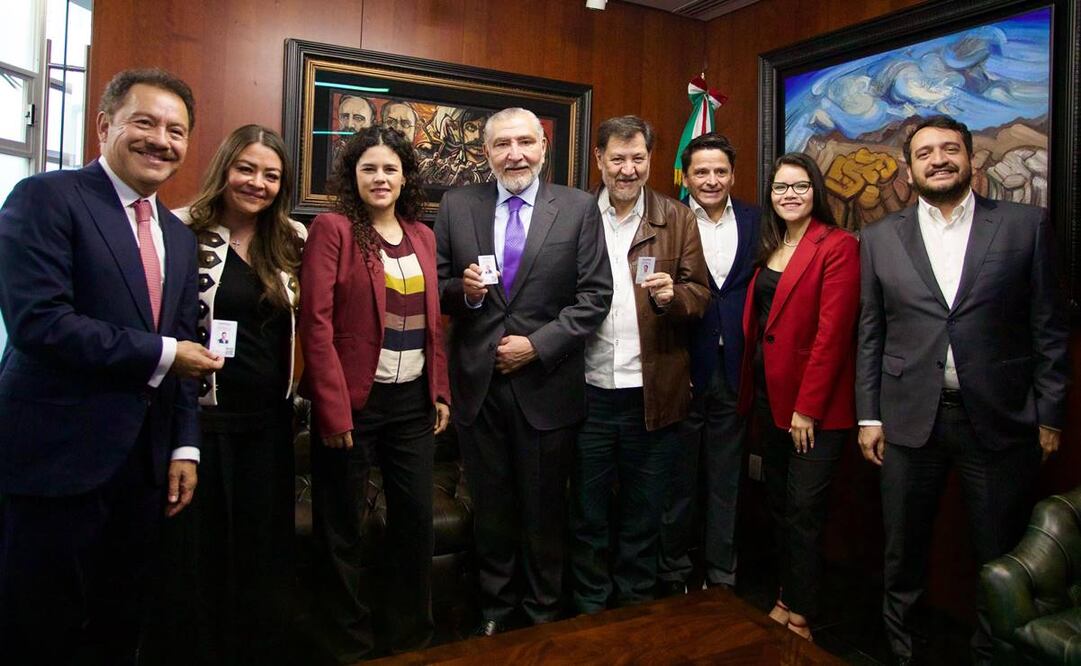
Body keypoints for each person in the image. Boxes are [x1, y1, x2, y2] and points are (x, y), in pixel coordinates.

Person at [0, 68, 223, 665]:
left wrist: (184, 447)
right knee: (41, 628)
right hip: (57, 460)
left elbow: (181, 342)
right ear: (105, 125)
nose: (161, 140)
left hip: (144, 467)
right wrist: (165, 355)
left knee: (122, 622)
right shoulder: (46, 198)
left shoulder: (178, 236)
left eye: (176, 130)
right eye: (144, 122)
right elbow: (39, 323)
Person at [856, 115, 1069, 666]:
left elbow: (1048, 327)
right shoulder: (880, 237)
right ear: (909, 168)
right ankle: (904, 652)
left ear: (972, 159)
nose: (939, 160)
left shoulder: (1024, 225)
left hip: (999, 419)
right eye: (925, 153)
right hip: (906, 420)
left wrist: (1049, 415)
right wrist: (868, 416)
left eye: (950, 149)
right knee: (903, 553)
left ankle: (989, 655)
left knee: (997, 552)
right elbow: (871, 332)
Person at [435, 107, 612, 634]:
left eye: (525, 143)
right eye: (502, 144)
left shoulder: (578, 208)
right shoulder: (457, 204)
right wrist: (462, 293)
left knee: (543, 510)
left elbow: (594, 296)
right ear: (485, 152)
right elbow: (438, 284)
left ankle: (541, 613)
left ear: (542, 148)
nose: (514, 154)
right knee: (491, 508)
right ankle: (495, 609)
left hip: (546, 384)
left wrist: (536, 346)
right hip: (479, 385)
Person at [145, 125, 306, 665]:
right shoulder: (181, 230)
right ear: (224, 169)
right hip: (203, 425)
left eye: (271, 175)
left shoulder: (291, 240)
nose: (257, 183)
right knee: (200, 555)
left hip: (270, 426)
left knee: (263, 556)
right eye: (246, 169)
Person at [300, 124, 451, 660]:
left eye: (390, 168)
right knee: (342, 531)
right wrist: (333, 410)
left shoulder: (422, 235)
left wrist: (439, 390)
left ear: (405, 175)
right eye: (369, 169)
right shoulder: (334, 228)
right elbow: (315, 324)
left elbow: (433, 324)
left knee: (415, 526)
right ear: (353, 176)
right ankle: (348, 646)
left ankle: (411, 640)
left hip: (411, 403)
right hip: (352, 405)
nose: (380, 178)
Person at [570, 115, 709, 613]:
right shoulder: (574, 214)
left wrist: (676, 296)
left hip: (653, 395)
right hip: (586, 391)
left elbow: (702, 295)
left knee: (642, 514)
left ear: (651, 160)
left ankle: (633, 611)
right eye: (617, 159)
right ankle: (589, 611)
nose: (627, 170)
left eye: (638, 159)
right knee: (586, 514)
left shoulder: (678, 218)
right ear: (599, 160)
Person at [737, 152, 859, 642]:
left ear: (816, 192)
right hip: (769, 397)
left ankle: (803, 612)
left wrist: (806, 409)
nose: (790, 194)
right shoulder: (770, 244)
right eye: (781, 187)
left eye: (800, 186)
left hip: (814, 410)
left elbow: (833, 336)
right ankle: (787, 595)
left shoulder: (838, 245)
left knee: (805, 509)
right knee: (780, 504)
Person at [658, 132, 761, 594]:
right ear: (686, 176)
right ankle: (674, 571)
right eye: (702, 171)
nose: (712, 180)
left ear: (733, 175)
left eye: (720, 171)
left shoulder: (758, 221)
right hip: (682, 366)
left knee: (727, 479)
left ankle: (722, 574)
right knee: (677, 479)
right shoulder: (669, 220)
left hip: (736, 367)